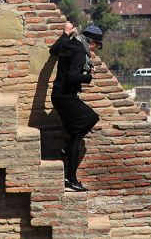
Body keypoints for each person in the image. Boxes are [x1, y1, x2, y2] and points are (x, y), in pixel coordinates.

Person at [48, 21, 104, 192]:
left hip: (59, 95)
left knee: (75, 135)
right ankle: (70, 176)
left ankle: (70, 175)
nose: (94, 50)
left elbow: (53, 50)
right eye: (96, 46)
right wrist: (88, 77)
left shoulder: (70, 43)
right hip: (66, 97)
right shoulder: (80, 51)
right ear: (91, 42)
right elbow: (73, 77)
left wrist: (65, 33)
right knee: (89, 120)